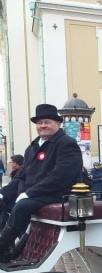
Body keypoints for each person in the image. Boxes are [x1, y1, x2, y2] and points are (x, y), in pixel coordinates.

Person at [0, 104, 82, 262]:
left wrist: (29, 193)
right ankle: (10, 251)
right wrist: (3, 193)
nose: (43, 126)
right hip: (37, 195)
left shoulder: (66, 143)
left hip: (58, 194)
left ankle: (2, 246)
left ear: (58, 124)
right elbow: (21, 176)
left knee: (22, 206)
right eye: (39, 123)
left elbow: (60, 176)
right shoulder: (32, 148)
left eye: (47, 122)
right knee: (3, 202)